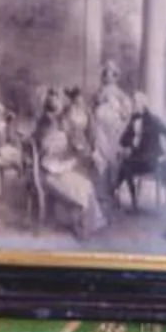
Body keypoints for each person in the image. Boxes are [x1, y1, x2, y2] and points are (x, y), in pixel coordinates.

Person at [36, 89, 106, 235]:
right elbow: (48, 158)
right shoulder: (48, 126)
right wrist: (69, 159)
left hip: (57, 168)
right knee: (83, 187)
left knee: (86, 183)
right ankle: (81, 226)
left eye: (59, 99)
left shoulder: (56, 123)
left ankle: (85, 224)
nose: (61, 103)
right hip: (51, 173)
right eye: (56, 100)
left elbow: (64, 146)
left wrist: (71, 154)